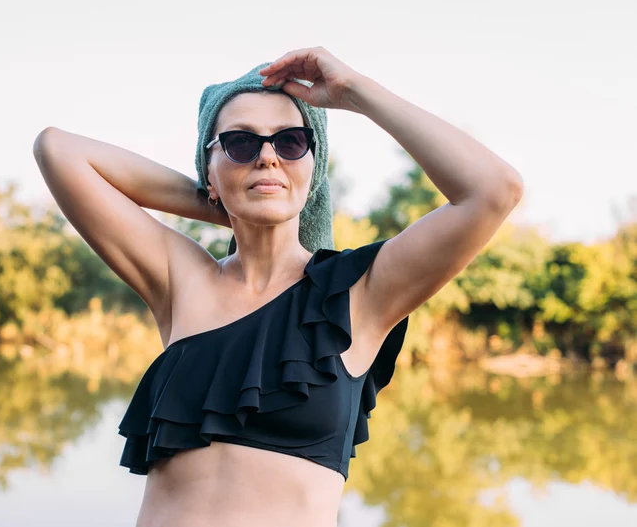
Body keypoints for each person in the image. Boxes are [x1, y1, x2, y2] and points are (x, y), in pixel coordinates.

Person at [33, 46, 523, 527]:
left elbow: (492, 190)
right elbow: (59, 150)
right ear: (209, 167)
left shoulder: (359, 292)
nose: (267, 157)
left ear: (314, 167)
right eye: (241, 144)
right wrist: (225, 198)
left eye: (290, 143)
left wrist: (354, 92)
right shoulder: (181, 279)